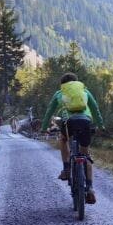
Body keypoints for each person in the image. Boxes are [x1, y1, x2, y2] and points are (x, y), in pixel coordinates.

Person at [41, 72, 104, 202]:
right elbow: (95, 108)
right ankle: (90, 188)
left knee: (63, 140)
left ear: (63, 84)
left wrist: (43, 128)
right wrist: (101, 126)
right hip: (85, 121)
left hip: (68, 122)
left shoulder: (60, 93)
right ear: (76, 82)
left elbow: (49, 111)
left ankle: (66, 168)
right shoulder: (84, 91)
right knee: (85, 155)